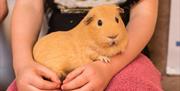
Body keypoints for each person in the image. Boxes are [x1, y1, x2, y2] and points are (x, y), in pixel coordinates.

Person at [8, 0, 163, 91]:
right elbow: (29, 5)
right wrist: (23, 64)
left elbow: (144, 15)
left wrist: (109, 68)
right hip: (61, 44)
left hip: (124, 50)